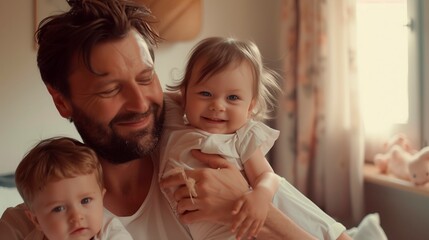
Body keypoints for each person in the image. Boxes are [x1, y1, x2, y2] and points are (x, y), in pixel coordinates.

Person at [0, 0, 351, 239]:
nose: (140, 103)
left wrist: (242, 205)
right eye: (110, 90)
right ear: (61, 101)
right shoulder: (35, 221)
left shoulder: (210, 148)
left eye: (144, 78)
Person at [159, 37, 348, 240]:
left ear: (250, 107)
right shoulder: (175, 125)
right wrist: (187, 98)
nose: (217, 106)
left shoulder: (241, 137)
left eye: (232, 98)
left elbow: (267, 176)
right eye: (205, 93)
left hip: (242, 227)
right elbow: (157, 95)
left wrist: (260, 196)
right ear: (184, 94)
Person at [14, 137, 133, 240]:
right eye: (58, 208)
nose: (76, 216)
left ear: (101, 199)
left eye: (85, 200)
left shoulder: (112, 233)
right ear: (36, 220)